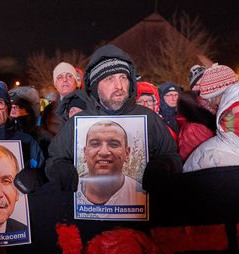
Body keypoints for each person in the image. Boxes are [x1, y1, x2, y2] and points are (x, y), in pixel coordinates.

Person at [44, 44, 181, 193]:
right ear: (96, 86)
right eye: (110, 79)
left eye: (123, 77)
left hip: (141, 209)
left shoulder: (148, 118)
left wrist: (164, 165)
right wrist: (60, 169)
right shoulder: (76, 123)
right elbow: (54, 159)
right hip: (90, 213)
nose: (119, 86)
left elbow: (172, 155)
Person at [177, 63, 237, 161]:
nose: (200, 88)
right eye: (197, 85)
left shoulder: (225, 113)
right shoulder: (195, 125)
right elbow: (197, 161)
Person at [77, 121, 145, 207]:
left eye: (114, 144)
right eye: (95, 144)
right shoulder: (70, 191)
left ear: (127, 153)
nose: (104, 152)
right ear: (85, 153)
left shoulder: (141, 193)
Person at [40, 62, 82, 137]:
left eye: (69, 76)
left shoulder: (89, 105)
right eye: (59, 77)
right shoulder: (48, 110)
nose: (65, 79)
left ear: (76, 82)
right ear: (55, 84)